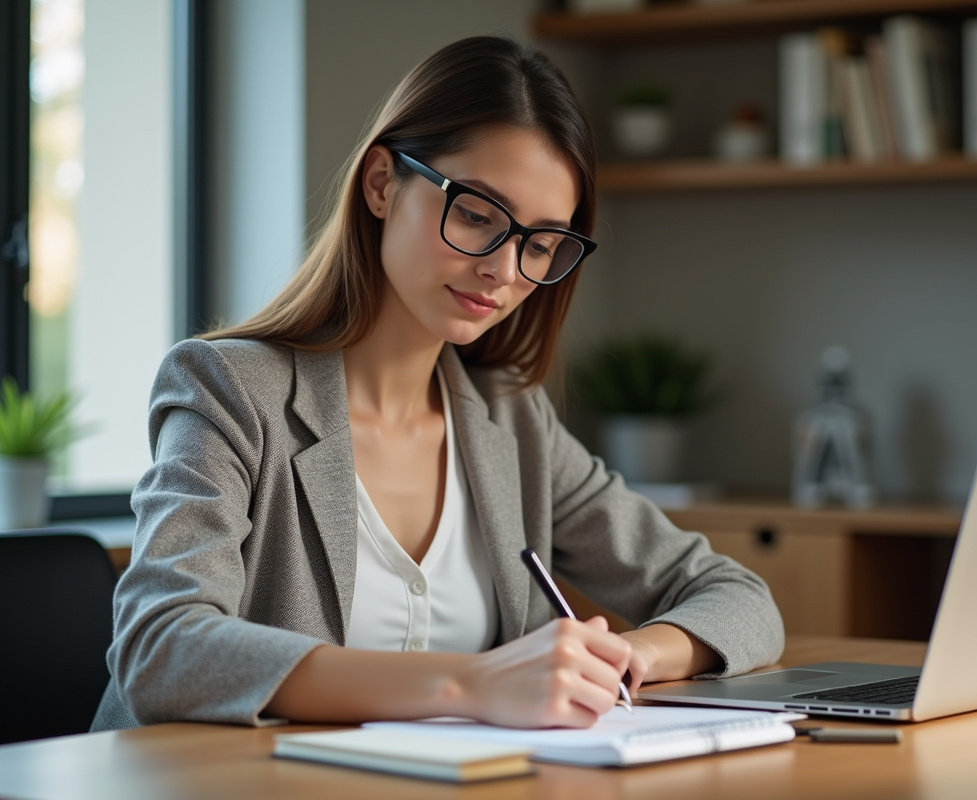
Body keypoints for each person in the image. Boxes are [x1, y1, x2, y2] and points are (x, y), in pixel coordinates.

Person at [93, 36, 783, 732]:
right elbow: (162, 648)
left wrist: (625, 657)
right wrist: (472, 683)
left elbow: (736, 595)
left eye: (541, 244)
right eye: (479, 215)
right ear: (382, 184)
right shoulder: (231, 390)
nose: (505, 270)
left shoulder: (511, 421)